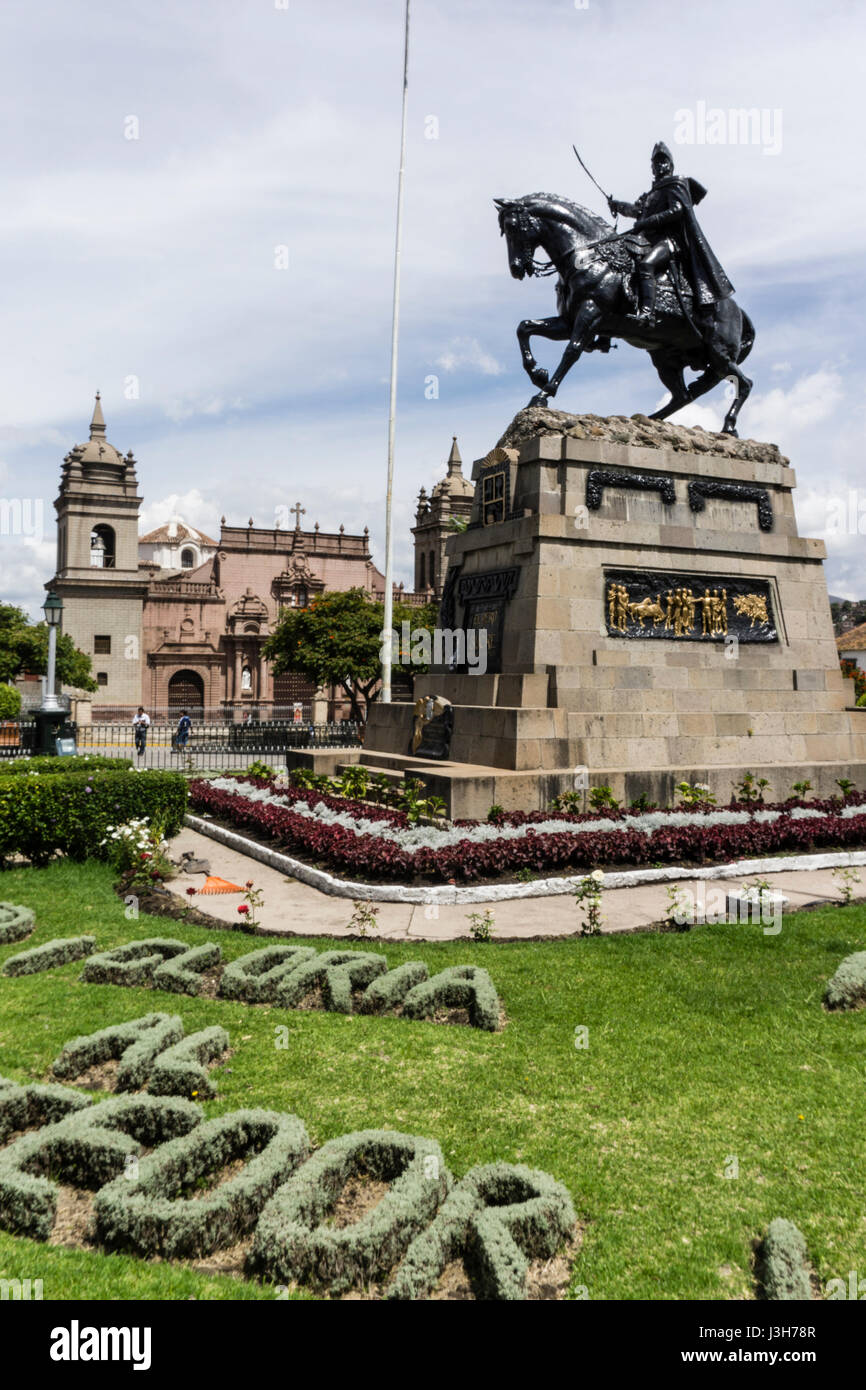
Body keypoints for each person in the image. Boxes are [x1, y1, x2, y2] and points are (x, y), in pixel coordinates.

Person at [608, 141, 734, 330]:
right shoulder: (650, 194)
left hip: (669, 241)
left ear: (670, 165)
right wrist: (617, 205)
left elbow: (677, 210)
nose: (660, 166)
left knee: (646, 264)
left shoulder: (676, 184)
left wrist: (647, 222)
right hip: (646, 241)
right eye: (656, 163)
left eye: (663, 162)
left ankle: (647, 314)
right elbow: (636, 211)